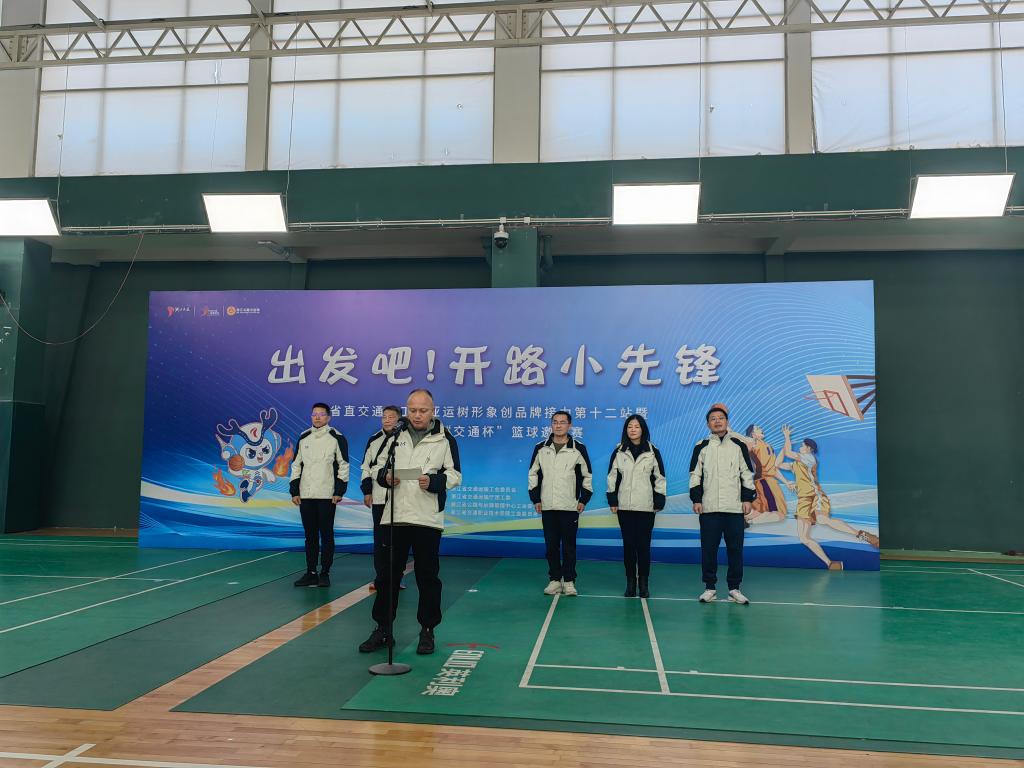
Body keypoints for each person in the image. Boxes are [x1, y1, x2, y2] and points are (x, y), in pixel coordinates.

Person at [359, 389, 461, 656]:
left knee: (427, 577)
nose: (417, 415)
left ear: (433, 411)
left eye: (423, 410)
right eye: (413, 410)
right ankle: (383, 629)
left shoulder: (445, 438)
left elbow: (454, 474)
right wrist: (385, 478)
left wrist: (434, 481)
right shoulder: (395, 436)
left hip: (427, 517)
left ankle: (427, 630)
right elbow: (377, 467)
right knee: (386, 577)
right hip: (395, 515)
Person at [777, 424, 879, 570]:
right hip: (803, 500)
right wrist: (784, 446)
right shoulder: (796, 464)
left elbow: (788, 452)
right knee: (803, 538)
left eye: (803, 445)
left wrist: (786, 436)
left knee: (822, 519)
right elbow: (778, 464)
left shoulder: (809, 459)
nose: (800, 447)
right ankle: (830, 563)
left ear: (809, 448)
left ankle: (864, 535)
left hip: (814, 495)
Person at [689, 403, 756, 605]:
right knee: (708, 550)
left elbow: (747, 474)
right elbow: (695, 475)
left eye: (721, 418)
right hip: (709, 508)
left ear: (727, 422)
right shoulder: (701, 446)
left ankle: (734, 588)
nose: (717, 421)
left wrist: (747, 498)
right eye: (713, 419)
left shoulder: (738, 445)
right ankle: (710, 588)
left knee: (735, 550)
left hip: (734, 508)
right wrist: (697, 499)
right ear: (708, 424)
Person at [527, 410, 593, 597]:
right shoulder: (541, 448)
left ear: (569, 425)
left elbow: (587, 476)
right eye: (555, 422)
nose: (558, 425)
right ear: (551, 425)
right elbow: (533, 474)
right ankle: (555, 579)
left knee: (569, 546)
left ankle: (569, 581)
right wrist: (536, 498)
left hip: (569, 505)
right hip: (547, 505)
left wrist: (584, 499)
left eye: (562, 422)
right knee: (551, 545)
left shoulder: (578, 448)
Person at [289, 402, 349, 588]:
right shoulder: (304, 437)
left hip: (326, 495)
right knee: (310, 536)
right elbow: (296, 465)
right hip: (306, 495)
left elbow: (343, 465)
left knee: (327, 535)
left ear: (328, 417)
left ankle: (325, 573)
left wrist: (339, 491)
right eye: (314, 414)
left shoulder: (336, 437)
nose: (317, 417)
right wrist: (294, 490)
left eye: (321, 414)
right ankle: (311, 572)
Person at [607, 414, 666, 598]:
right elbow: (612, 477)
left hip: (646, 506)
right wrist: (613, 500)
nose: (632, 430)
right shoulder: (619, 451)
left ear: (643, 429)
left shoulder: (652, 451)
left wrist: (659, 500)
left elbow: (659, 477)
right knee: (629, 546)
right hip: (624, 506)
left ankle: (644, 583)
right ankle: (630, 582)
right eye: (629, 426)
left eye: (636, 426)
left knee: (643, 546)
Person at [359, 405, 406, 592]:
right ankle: (380, 578)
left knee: (398, 540)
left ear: (399, 420)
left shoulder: (406, 438)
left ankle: (397, 578)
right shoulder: (374, 439)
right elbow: (365, 467)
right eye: (384, 417)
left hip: (400, 496)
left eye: (391, 417)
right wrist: (367, 491)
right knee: (380, 540)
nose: (387, 420)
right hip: (379, 496)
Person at [736, 423, 787, 525]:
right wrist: (726, 427)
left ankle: (740, 518)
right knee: (779, 514)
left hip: (769, 481)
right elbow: (739, 437)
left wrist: (786, 482)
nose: (761, 429)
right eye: (758, 428)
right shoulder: (753, 443)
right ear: (753, 434)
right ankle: (746, 522)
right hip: (764, 480)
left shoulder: (768, 446)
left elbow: (773, 468)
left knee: (761, 510)